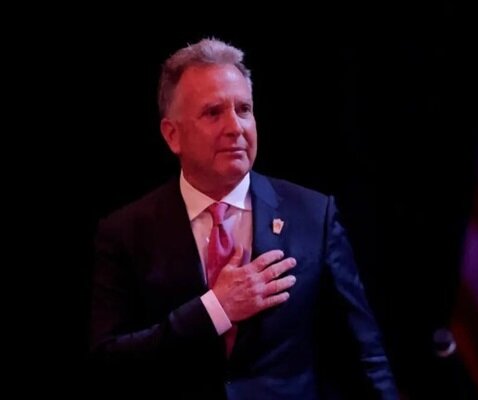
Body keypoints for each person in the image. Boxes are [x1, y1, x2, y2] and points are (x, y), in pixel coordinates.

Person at [90, 37, 401, 399]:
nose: (236, 127)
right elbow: (107, 360)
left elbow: (365, 356)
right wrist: (215, 309)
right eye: (213, 112)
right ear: (172, 135)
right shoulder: (126, 232)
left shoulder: (313, 216)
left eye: (244, 109)